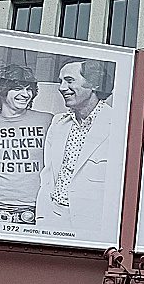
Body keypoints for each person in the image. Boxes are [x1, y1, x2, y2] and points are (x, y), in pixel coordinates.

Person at [36, 59, 120, 235]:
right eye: (60, 81)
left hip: (93, 230)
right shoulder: (58, 123)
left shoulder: (118, 126)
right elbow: (47, 176)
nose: (61, 87)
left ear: (94, 84)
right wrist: (42, 219)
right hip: (53, 224)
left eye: (69, 80)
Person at [0, 64, 49, 225]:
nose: (25, 94)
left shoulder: (49, 121)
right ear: (1, 90)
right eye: (18, 88)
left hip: (38, 214)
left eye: (29, 89)